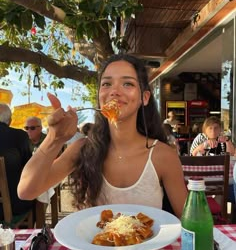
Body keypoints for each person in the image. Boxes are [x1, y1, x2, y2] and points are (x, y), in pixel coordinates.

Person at [18, 54, 187, 218]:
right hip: (94, 245)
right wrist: (54, 138)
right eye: (106, 84)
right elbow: (26, 191)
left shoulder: (163, 155)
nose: (114, 91)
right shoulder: (83, 149)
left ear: (144, 97)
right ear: (99, 98)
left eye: (127, 84)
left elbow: (190, 221)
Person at [0, 103, 35, 221]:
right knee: (34, 196)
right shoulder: (19, 136)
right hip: (13, 206)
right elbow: (30, 168)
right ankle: (32, 236)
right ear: (9, 121)